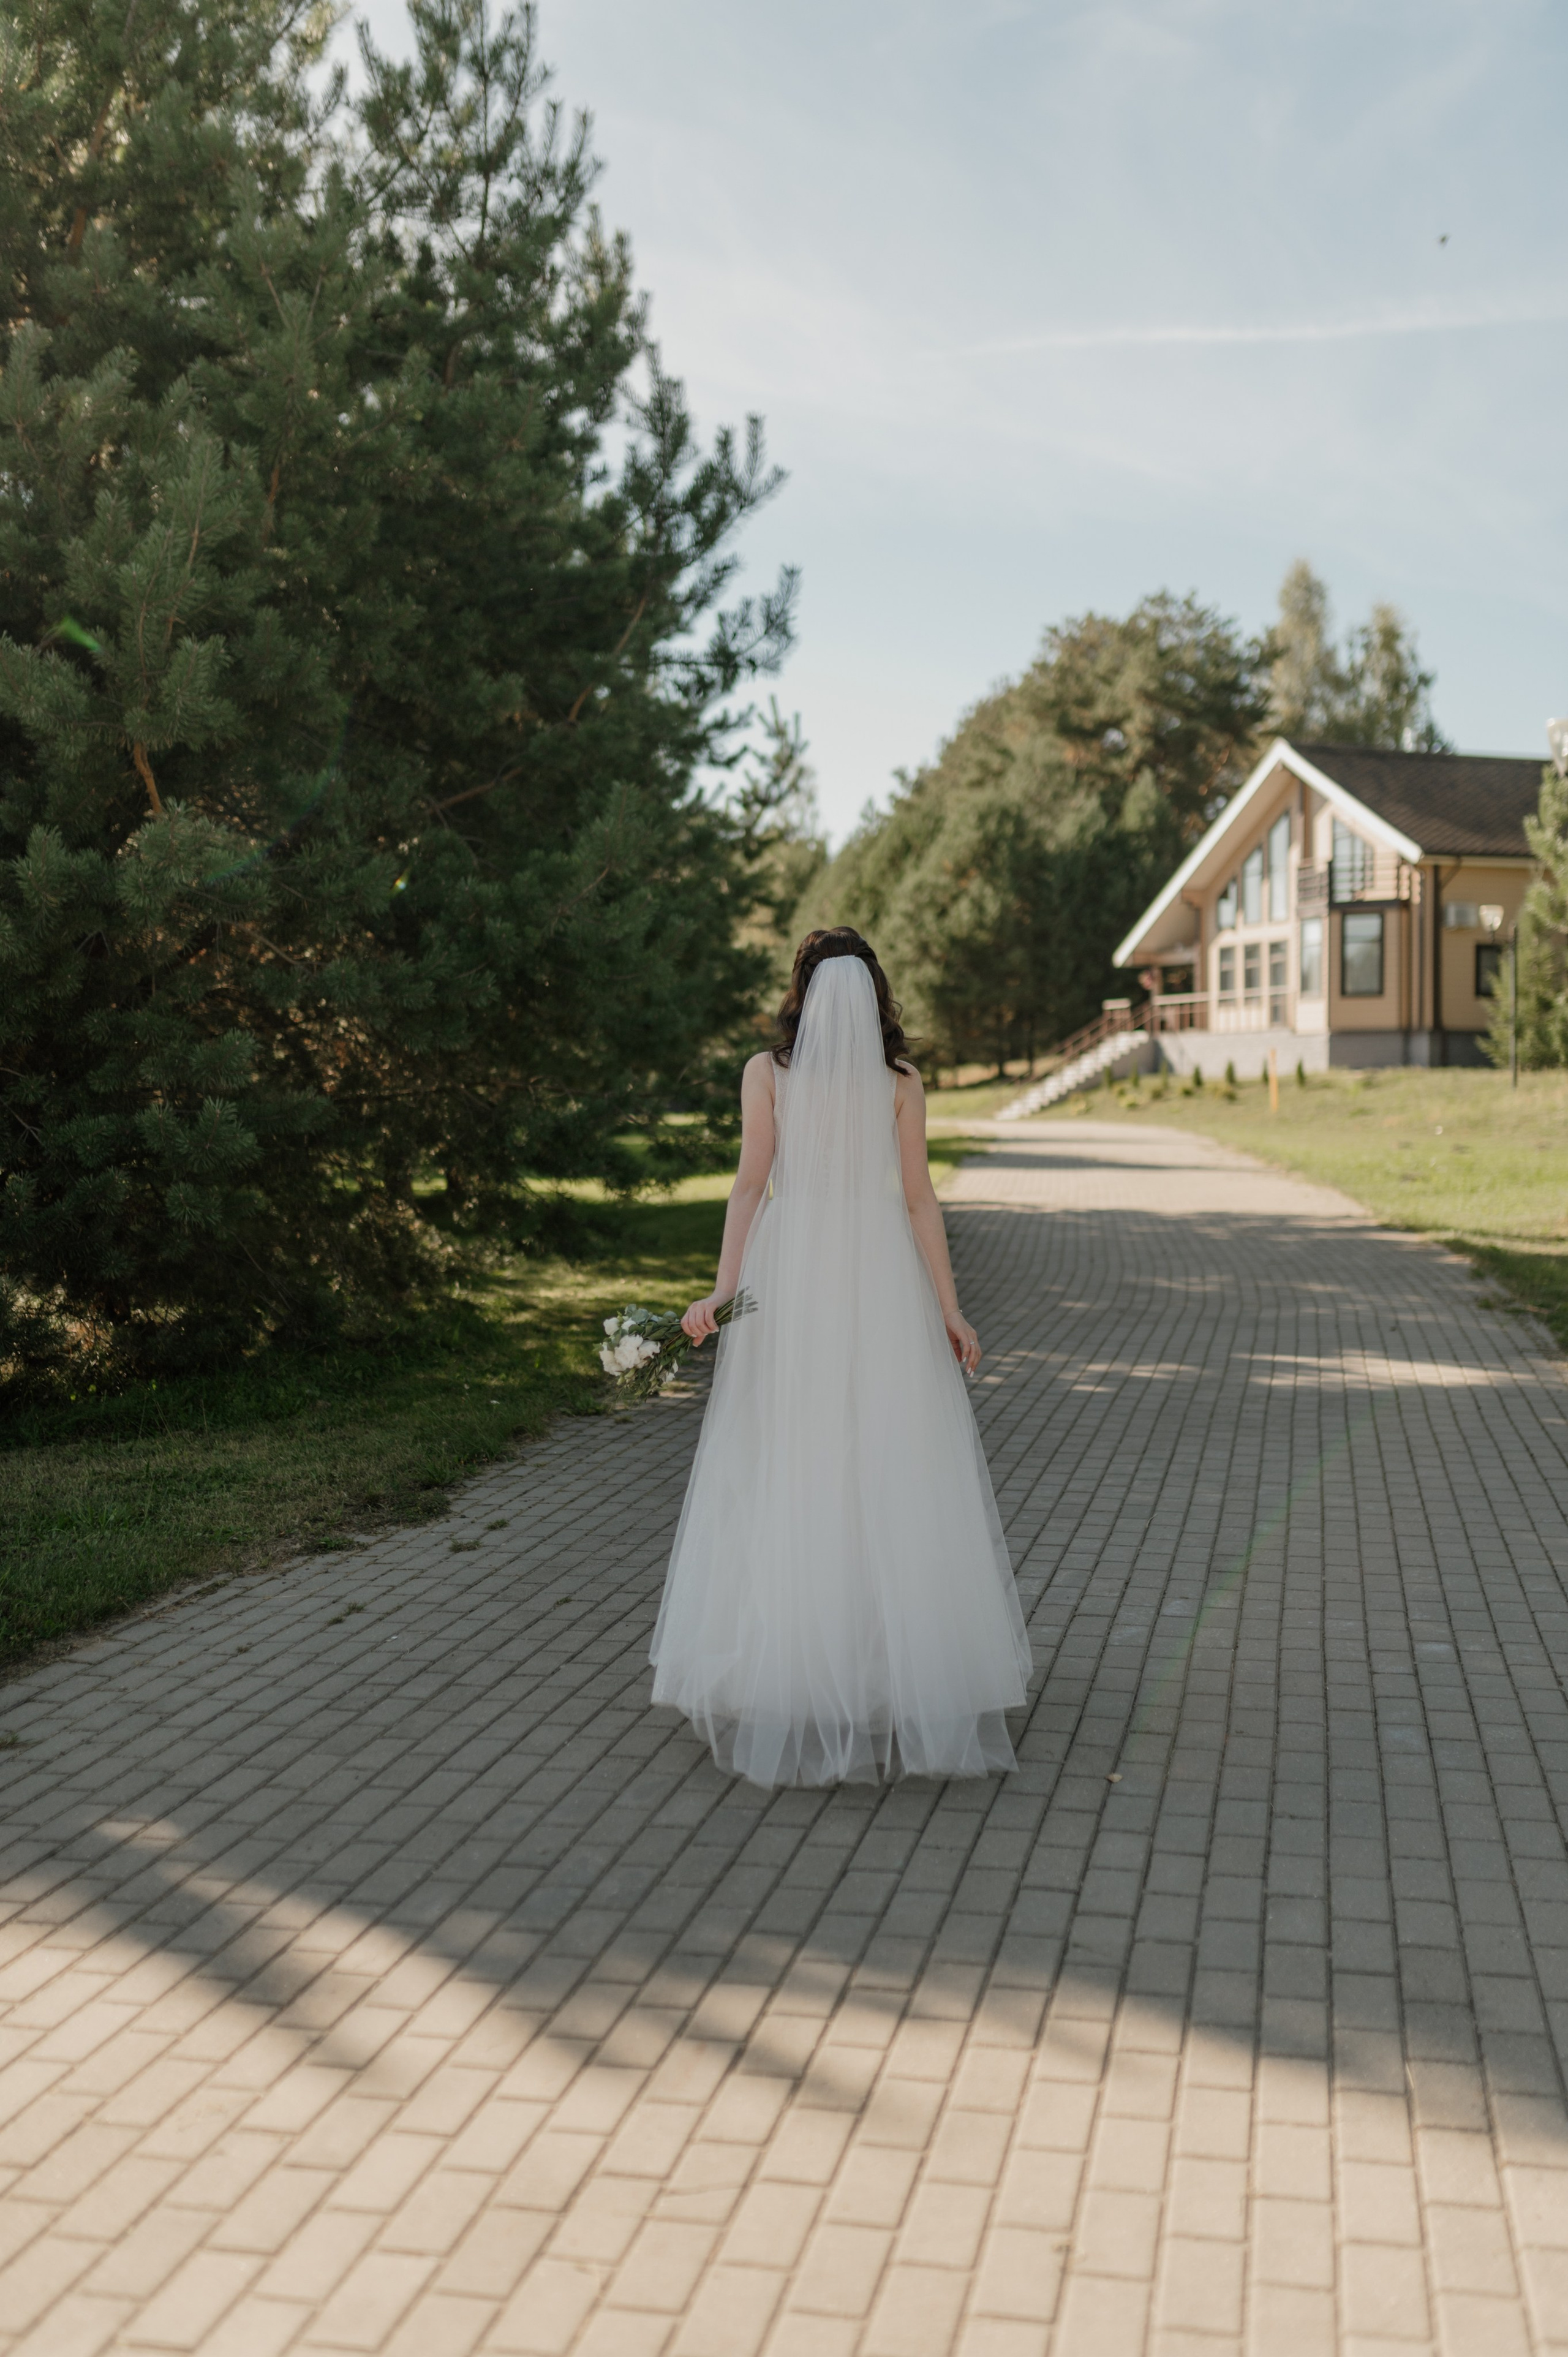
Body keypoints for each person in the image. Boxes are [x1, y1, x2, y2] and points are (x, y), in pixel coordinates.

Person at [649, 928, 1031, 1786]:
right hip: (877, 1271)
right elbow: (919, 1199)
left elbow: (750, 1186)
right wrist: (947, 1306)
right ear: (876, 995)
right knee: (881, 1455)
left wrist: (722, 1292)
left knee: (790, 1453)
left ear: (804, 992)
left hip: (793, 1271)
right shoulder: (901, 1082)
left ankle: (793, 1658)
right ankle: (884, 1663)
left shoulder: (767, 1073)